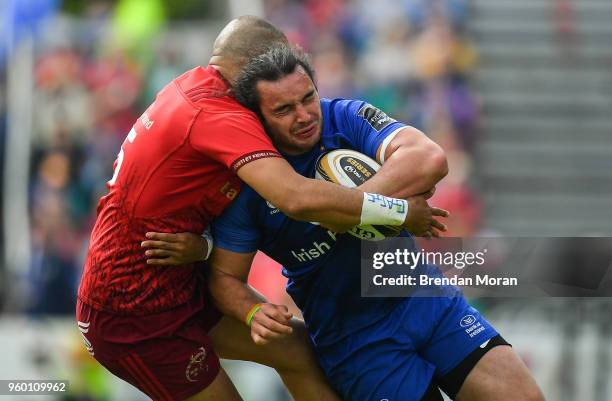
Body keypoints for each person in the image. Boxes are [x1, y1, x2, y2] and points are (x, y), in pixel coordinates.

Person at [76, 16, 445, 401]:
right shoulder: (219, 114)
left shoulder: (193, 88)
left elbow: (179, 206)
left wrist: (202, 247)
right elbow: (295, 198)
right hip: (132, 311)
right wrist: (396, 212)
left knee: (298, 350)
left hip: (179, 286)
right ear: (258, 64)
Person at [153, 46, 545, 401]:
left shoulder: (346, 117)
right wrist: (253, 312)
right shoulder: (249, 184)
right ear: (258, 119)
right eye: (283, 110)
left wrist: (345, 213)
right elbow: (224, 278)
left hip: (425, 298)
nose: (304, 115)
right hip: (357, 341)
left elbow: (429, 158)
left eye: (308, 98)